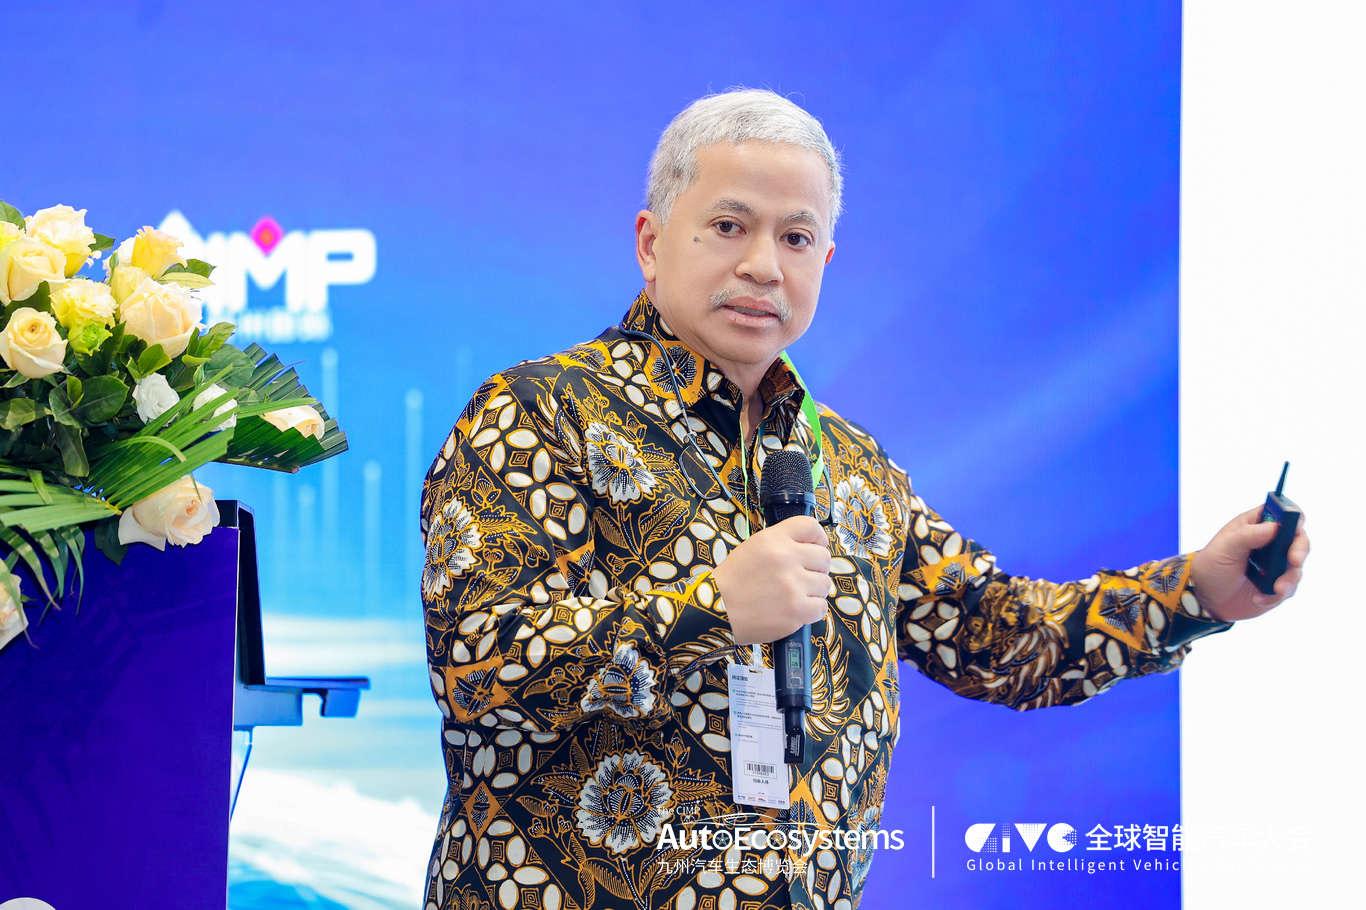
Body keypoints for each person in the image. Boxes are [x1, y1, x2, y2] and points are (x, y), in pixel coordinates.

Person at [418, 88, 1310, 910]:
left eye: (797, 238)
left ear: (826, 260)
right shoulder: (540, 413)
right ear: (651, 242)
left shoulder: (851, 466)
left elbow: (999, 638)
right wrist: (710, 610)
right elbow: (475, 667)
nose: (764, 265)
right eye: (729, 226)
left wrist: (1195, 593)